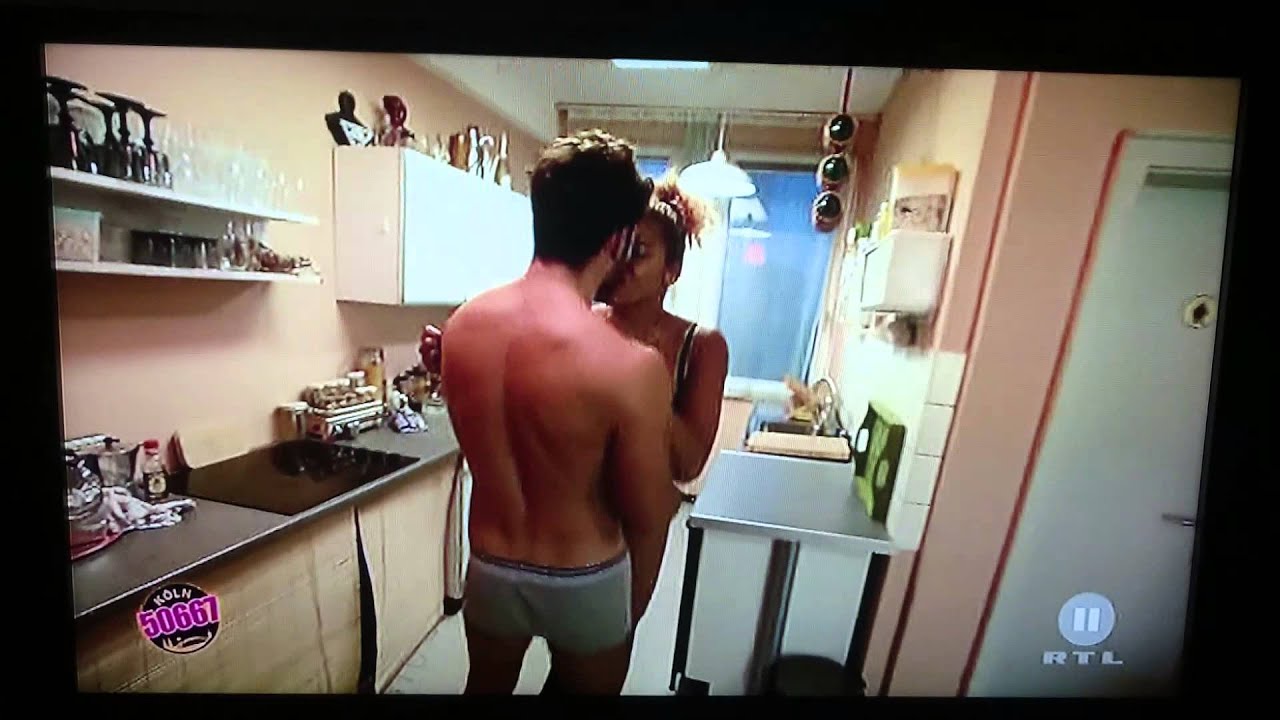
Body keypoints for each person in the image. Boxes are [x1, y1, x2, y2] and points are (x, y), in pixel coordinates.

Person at [432, 129, 681, 695]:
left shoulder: (461, 327)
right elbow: (649, 516)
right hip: (583, 575)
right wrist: (628, 618)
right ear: (618, 239)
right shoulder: (630, 364)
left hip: (492, 564)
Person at [594, 172, 730, 499]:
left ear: (672, 271)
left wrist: (645, 383)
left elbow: (688, 465)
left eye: (638, 252)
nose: (619, 263)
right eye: (615, 248)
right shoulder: (584, 321)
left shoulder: (702, 346)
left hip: (636, 520)